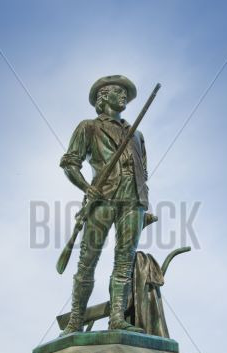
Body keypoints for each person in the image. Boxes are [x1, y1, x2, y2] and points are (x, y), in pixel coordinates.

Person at [60, 75, 149, 334]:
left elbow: (144, 170)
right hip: (103, 200)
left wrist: (146, 205)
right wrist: (88, 189)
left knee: (125, 262)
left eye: (125, 93)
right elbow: (69, 162)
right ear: (103, 97)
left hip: (134, 202)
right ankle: (76, 320)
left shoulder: (137, 134)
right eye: (117, 91)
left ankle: (117, 319)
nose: (123, 96)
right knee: (87, 260)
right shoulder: (88, 127)